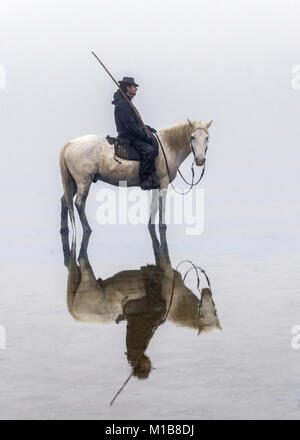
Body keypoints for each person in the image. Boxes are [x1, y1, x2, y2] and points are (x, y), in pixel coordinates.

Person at [111, 76, 160, 190]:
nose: (136, 89)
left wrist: (147, 128)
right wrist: (145, 136)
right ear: (128, 88)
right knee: (149, 150)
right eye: (134, 87)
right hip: (129, 137)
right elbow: (131, 127)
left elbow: (136, 123)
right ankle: (145, 179)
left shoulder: (127, 102)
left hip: (133, 135)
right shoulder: (123, 104)